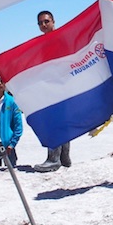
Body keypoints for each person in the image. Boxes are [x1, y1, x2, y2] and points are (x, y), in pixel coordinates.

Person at [32, 10, 73, 172]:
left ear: (53, 21)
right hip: (50, 84)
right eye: (40, 23)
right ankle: (64, 157)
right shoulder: (42, 42)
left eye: (46, 21)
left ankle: (54, 158)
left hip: (60, 84)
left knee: (54, 121)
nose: (43, 25)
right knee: (60, 121)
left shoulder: (59, 39)